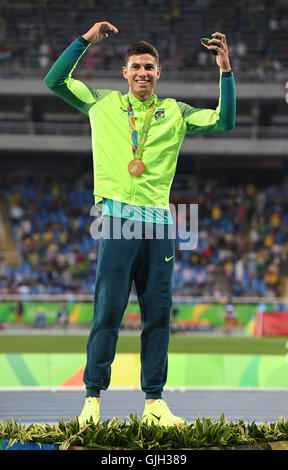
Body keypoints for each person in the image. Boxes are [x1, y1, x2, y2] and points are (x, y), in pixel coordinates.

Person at [44, 21, 235, 427]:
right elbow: (55, 80)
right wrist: (84, 41)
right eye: (136, 67)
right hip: (117, 223)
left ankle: (154, 405)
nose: (143, 73)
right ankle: (92, 400)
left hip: (160, 226)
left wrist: (225, 70)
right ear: (125, 72)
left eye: (149, 67)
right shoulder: (102, 104)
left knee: (158, 315)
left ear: (158, 72)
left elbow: (223, 121)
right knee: (108, 311)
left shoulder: (176, 113)